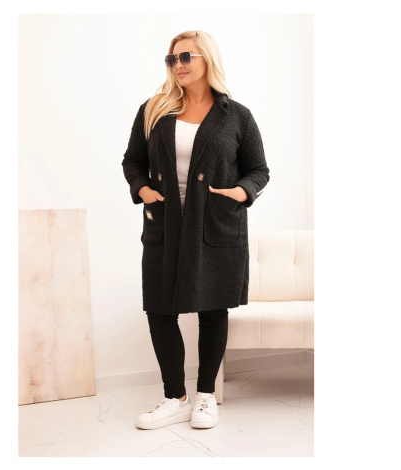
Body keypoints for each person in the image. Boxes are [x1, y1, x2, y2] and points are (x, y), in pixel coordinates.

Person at [121, 30, 270, 430]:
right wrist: (145, 191)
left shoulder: (236, 116)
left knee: (213, 309)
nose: (178, 65)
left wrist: (241, 191)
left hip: (216, 226)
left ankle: (205, 397)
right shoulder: (153, 110)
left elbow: (259, 170)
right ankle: (175, 398)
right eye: (172, 59)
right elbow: (132, 161)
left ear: (207, 59)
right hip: (164, 226)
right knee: (159, 309)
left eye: (186, 57)